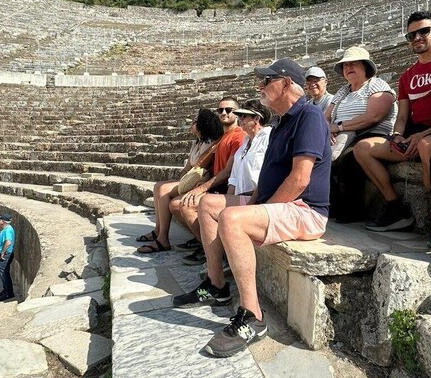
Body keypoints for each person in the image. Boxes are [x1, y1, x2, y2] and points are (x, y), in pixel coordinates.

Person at [172, 58, 331, 358]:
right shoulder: (282, 123)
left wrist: (259, 211)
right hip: (280, 203)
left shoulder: (308, 116)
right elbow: (268, 176)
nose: (260, 86)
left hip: (305, 210)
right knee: (209, 204)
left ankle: (253, 316)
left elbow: (300, 179)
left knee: (232, 219)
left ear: (286, 83)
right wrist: (255, 203)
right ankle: (217, 285)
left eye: (266, 81)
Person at [353, 11, 431, 234]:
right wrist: (396, 136)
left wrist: (424, 134)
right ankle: (396, 208)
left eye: (423, 31)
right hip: (413, 135)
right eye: (411, 35)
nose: (417, 37)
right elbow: (401, 116)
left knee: (426, 145)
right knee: (363, 148)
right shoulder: (407, 76)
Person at [324, 46, 397, 223]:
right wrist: (328, 131)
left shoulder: (377, 85)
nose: (348, 68)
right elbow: (325, 117)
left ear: (366, 67)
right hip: (341, 136)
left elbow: (373, 117)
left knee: (348, 161)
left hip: (371, 135)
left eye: (353, 64)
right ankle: (327, 207)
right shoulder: (343, 91)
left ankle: (350, 211)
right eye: (345, 65)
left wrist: (339, 127)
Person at [171, 97, 247, 264]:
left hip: (228, 189)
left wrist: (201, 188)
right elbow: (213, 165)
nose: (224, 113)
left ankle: (214, 253)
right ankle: (205, 243)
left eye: (229, 110)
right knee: (175, 204)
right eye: (220, 110)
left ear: (238, 113)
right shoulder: (223, 136)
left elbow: (228, 171)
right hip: (217, 185)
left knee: (185, 205)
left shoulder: (239, 136)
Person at [136, 109, 223, 253]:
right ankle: (158, 231)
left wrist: (186, 177)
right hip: (190, 179)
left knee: (163, 189)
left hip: (200, 182)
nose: (191, 124)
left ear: (203, 124)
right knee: (159, 186)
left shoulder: (210, 144)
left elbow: (202, 165)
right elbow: (188, 166)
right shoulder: (197, 143)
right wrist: (183, 177)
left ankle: (163, 239)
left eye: (195, 122)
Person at [0, 213, 16, 301]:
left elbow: (8, 242)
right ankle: (6, 290)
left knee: (4, 273)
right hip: (5, 254)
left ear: (2, 221)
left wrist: (3, 252)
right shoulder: (6, 229)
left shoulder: (8, 230)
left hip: (6, 255)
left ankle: (9, 293)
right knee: (2, 272)